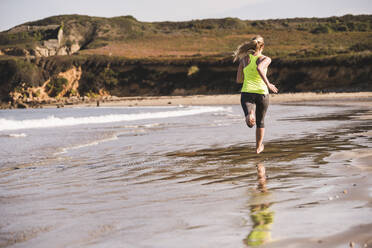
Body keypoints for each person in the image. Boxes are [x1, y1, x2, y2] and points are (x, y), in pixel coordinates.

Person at [234, 35, 278, 154]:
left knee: (250, 120)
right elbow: (259, 68)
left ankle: (250, 114)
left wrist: (248, 76)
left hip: (247, 91)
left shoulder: (244, 60)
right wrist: (268, 84)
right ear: (262, 46)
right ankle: (259, 147)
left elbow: (238, 79)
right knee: (261, 122)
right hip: (262, 93)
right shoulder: (266, 59)